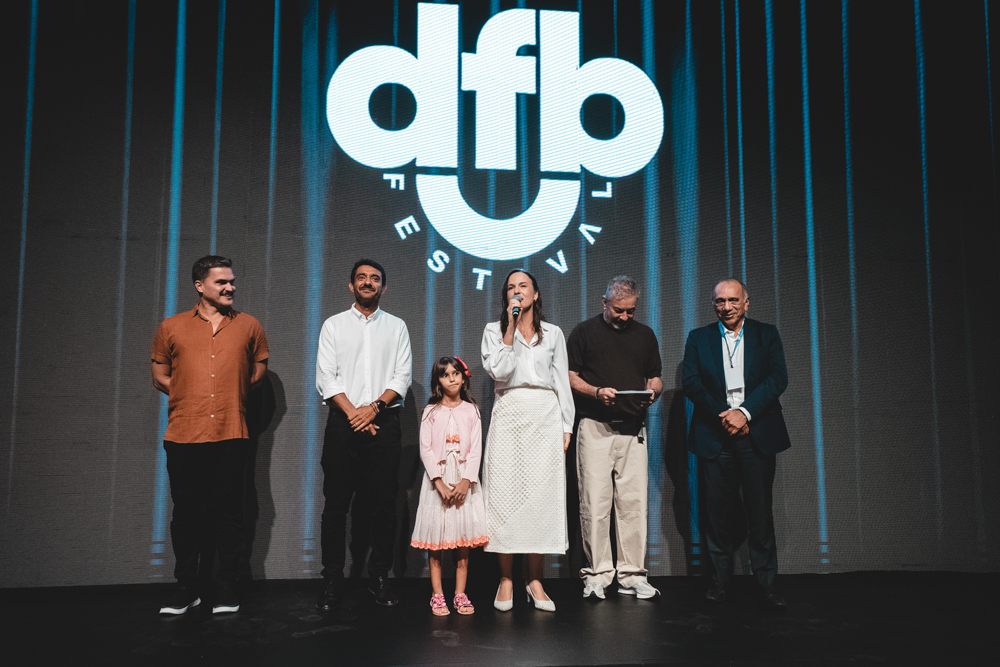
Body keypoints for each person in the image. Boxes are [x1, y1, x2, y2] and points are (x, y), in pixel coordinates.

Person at [151, 255, 269, 615]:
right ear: (200, 286)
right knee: (187, 515)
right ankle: (187, 587)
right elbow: (159, 373)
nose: (230, 287)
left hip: (230, 433)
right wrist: (189, 392)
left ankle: (227, 586)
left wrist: (231, 392)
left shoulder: (249, 325)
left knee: (230, 514)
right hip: (184, 433)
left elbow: (259, 368)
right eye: (221, 282)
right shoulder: (171, 327)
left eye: (232, 281)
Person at [682, 279, 790, 607]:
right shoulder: (698, 338)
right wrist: (725, 414)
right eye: (719, 301)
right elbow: (691, 383)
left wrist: (744, 413)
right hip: (715, 435)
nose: (725, 307)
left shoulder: (766, 334)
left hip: (755, 434)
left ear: (746, 303)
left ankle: (767, 585)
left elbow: (777, 378)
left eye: (732, 300)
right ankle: (717, 584)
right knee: (716, 516)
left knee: (759, 514)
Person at [315, 259, 412, 609]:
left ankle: (381, 577)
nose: (368, 283)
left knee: (385, 506)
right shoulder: (334, 325)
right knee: (336, 507)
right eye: (361, 278)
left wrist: (373, 409)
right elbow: (327, 376)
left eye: (375, 279)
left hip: (384, 423)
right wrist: (355, 412)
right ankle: (331, 579)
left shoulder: (397, 326)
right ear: (351, 285)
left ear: (383, 287)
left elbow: (401, 376)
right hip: (344, 423)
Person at [481, 269, 574, 612]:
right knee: (504, 496)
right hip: (509, 412)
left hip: (544, 415)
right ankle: (506, 579)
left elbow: (561, 381)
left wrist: (567, 425)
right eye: (510, 288)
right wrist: (509, 328)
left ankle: (535, 580)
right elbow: (500, 372)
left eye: (523, 287)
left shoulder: (553, 333)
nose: (516, 292)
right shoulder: (494, 331)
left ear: (536, 294)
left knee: (540, 499)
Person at [567, 276, 663, 601]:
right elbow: (569, 375)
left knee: (634, 503)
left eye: (631, 311)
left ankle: (633, 575)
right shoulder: (584, 332)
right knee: (594, 503)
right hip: (594, 426)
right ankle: (597, 575)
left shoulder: (646, 335)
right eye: (618, 310)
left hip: (633, 427)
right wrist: (596, 392)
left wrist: (654, 391)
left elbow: (655, 377)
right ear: (603, 302)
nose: (624, 317)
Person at [410, 356, 489, 616]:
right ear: (438, 382)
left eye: (456, 373)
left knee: (462, 541)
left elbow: (476, 449)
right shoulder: (431, 412)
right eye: (445, 374)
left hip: (463, 479)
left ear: (463, 377)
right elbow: (427, 449)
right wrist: (438, 481)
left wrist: (467, 480)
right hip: (438, 480)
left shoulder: (472, 410)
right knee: (437, 541)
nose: (452, 378)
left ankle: (460, 594)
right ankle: (437, 595)